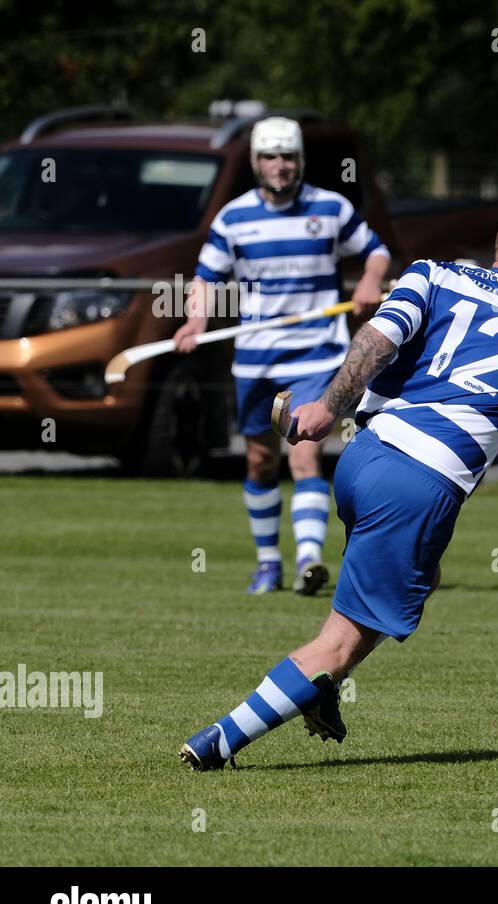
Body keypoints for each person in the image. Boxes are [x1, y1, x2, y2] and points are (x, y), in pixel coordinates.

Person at [179, 205, 498, 770]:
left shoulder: (431, 272)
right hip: (420, 481)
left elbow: (377, 339)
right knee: (338, 642)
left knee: (425, 575)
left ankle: (319, 687)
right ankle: (220, 739)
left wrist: (327, 406)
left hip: (362, 458)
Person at [173, 116, 391, 594]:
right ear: (255, 162)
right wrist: (196, 320)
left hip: (317, 354)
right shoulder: (233, 218)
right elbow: (206, 278)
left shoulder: (330, 208)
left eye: (288, 157)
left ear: (300, 161)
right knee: (258, 462)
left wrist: (372, 282)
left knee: (306, 454)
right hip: (256, 359)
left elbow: (376, 251)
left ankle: (309, 561)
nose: (280, 166)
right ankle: (269, 562)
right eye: (270, 157)